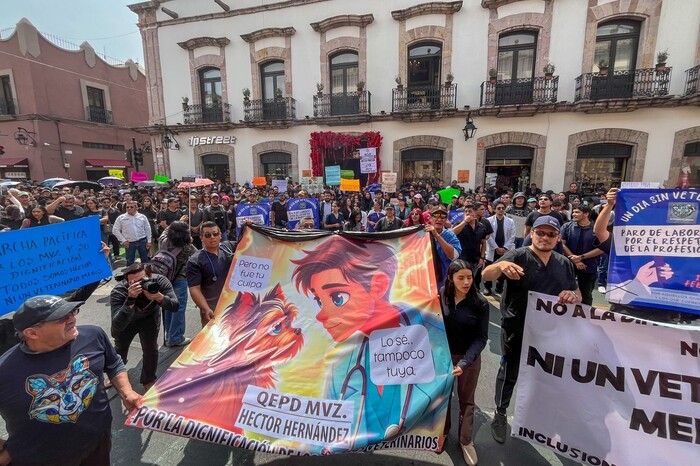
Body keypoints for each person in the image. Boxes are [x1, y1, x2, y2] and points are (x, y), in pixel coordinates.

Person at [291, 237, 452, 452]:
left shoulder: (433, 333)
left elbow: (440, 395)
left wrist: (436, 432)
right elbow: (322, 437)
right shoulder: (341, 367)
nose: (320, 315)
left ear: (377, 286)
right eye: (319, 301)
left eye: (337, 297)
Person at [0, 296, 141, 466]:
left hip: (97, 443)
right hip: (41, 459)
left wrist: (127, 392)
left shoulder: (93, 335)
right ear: (32, 333)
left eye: (72, 311)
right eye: (61, 318)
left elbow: (113, 363)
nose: (72, 318)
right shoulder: (4, 370)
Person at [482, 215, 581, 444]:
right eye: (540, 233)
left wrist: (571, 296)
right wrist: (500, 265)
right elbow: (487, 275)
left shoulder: (564, 262)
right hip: (516, 327)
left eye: (550, 234)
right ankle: (500, 413)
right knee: (509, 372)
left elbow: (578, 295)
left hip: (550, 332)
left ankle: (538, 419)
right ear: (532, 234)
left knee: (545, 376)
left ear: (558, 238)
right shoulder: (518, 255)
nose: (544, 237)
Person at [439, 260, 489, 466]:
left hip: (468, 359)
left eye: (470, 277)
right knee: (442, 398)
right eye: (461, 278)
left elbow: (481, 338)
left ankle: (465, 441)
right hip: (443, 357)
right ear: (451, 278)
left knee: (466, 400)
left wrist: (465, 362)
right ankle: (442, 432)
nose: (467, 282)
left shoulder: (480, 303)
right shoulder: (442, 294)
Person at [110, 262, 179, 390]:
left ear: (150, 275)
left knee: (151, 349)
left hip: (149, 318)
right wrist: (130, 299)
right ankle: (116, 373)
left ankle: (148, 379)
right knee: (120, 347)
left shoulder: (159, 282)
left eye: (143, 280)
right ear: (127, 282)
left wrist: (159, 297)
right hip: (128, 321)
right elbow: (116, 327)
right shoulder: (119, 291)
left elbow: (175, 306)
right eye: (135, 283)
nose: (140, 285)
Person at [187, 221, 237, 327]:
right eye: (208, 235)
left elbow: (249, 241)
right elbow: (194, 289)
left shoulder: (228, 247)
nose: (212, 237)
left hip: (234, 305)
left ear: (220, 235)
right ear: (201, 238)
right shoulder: (195, 260)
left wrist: (248, 225)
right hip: (212, 309)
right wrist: (205, 309)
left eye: (215, 234)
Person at [159, 221, 197, 347]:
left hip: (163, 279)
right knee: (178, 309)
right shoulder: (187, 248)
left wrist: (176, 222)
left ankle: (168, 334)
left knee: (168, 306)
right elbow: (198, 255)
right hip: (179, 280)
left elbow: (165, 231)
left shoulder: (163, 241)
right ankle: (176, 337)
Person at [561, 205, 602, 305]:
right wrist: (575, 259)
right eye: (573, 212)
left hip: (589, 266)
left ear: (586, 214)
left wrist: (581, 257)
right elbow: (562, 244)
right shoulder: (566, 227)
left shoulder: (596, 229)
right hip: (569, 265)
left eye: (577, 212)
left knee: (586, 294)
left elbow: (601, 248)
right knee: (566, 291)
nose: (573, 214)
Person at [451, 205, 489, 290]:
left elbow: (483, 243)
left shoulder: (481, 227)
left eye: (470, 211)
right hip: (461, 259)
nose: (468, 213)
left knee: (470, 282)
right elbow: (452, 233)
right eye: (466, 211)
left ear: (475, 213)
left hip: (475, 260)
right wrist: (464, 222)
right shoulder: (460, 224)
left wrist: (482, 257)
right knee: (459, 282)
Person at [425, 206, 462, 289]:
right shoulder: (422, 234)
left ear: (446, 220)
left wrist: (437, 235)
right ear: (430, 218)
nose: (439, 219)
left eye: (443, 216)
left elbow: (454, 256)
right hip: (426, 281)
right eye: (436, 215)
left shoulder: (450, 235)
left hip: (444, 282)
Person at [484, 201, 516, 295]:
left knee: (502, 269)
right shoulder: (489, 220)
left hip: (505, 248)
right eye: (499, 208)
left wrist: (505, 248)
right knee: (489, 268)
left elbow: (512, 236)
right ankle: (487, 287)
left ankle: (499, 287)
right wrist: (496, 248)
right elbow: (488, 236)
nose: (501, 210)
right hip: (492, 248)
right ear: (494, 209)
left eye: (503, 208)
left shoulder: (510, 221)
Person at [113, 200, 152, 266]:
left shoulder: (142, 217)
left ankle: (146, 275)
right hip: (129, 243)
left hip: (142, 241)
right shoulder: (121, 218)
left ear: (136, 207)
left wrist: (149, 241)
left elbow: (147, 229)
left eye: (131, 207)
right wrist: (123, 241)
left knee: (145, 260)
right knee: (130, 261)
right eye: (127, 207)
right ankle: (130, 275)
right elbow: (115, 230)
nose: (129, 208)